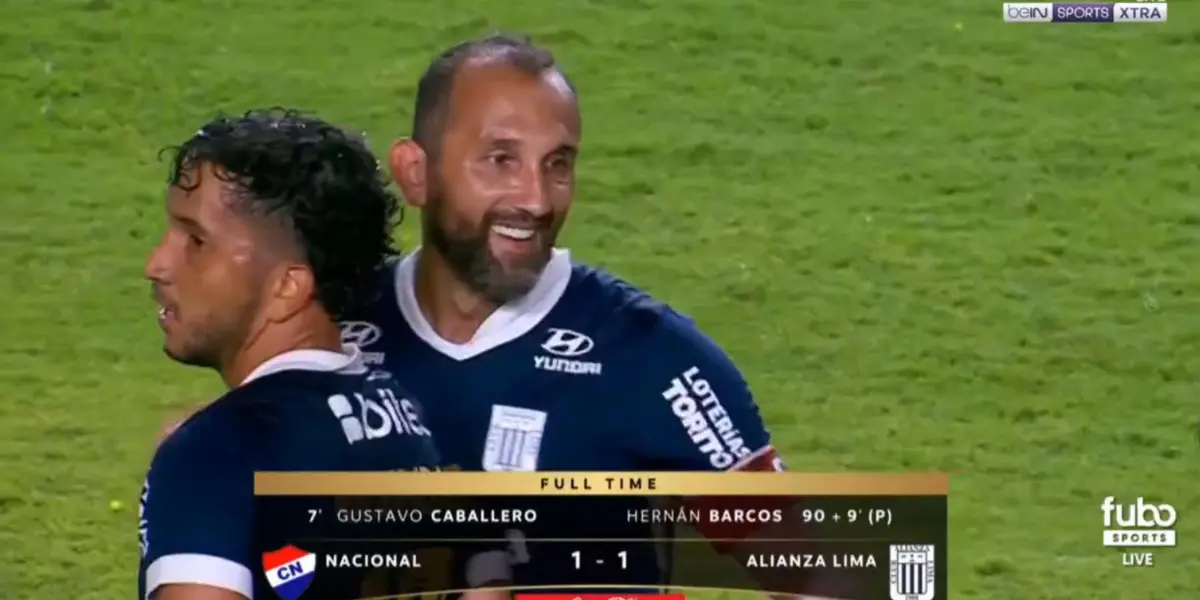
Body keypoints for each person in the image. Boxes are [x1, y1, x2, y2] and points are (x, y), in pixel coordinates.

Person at [139, 109, 510, 600]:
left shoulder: (215, 453)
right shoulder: (412, 418)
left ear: (288, 287)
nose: (157, 265)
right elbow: (489, 580)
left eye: (196, 241)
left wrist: (203, 456)